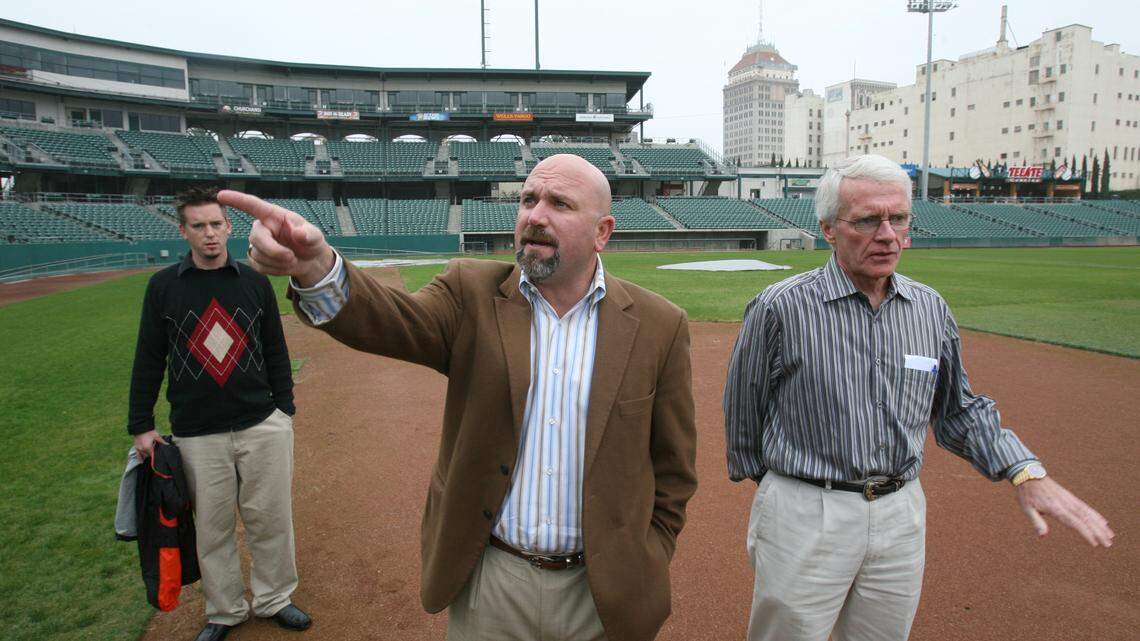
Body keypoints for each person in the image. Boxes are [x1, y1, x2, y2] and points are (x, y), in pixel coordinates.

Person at [223, 153, 698, 641]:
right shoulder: (471, 292)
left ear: (602, 232)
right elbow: (392, 320)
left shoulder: (659, 325)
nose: (535, 215)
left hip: (601, 594)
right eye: (529, 200)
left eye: (559, 203)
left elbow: (674, 470)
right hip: (493, 581)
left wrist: (650, 550)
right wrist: (317, 267)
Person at [723, 154, 1114, 641]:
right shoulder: (780, 307)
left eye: (898, 218)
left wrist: (1023, 470)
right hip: (807, 512)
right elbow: (743, 414)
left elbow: (958, 410)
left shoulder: (930, 308)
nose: (887, 234)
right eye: (867, 220)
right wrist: (791, 491)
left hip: (900, 513)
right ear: (828, 228)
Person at [127, 186, 311, 641]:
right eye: (198, 226)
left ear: (230, 227)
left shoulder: (252, 283)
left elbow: (274, 349)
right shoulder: (163, 287)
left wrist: (283, 409)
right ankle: (225, 610)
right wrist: (142, 424)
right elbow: (149, 357)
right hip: (195, 432)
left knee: (271, 520)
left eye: (216, 224)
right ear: (183, 231)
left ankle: (274, 599)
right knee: (212, 530)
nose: (209, 234)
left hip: (261, 423)